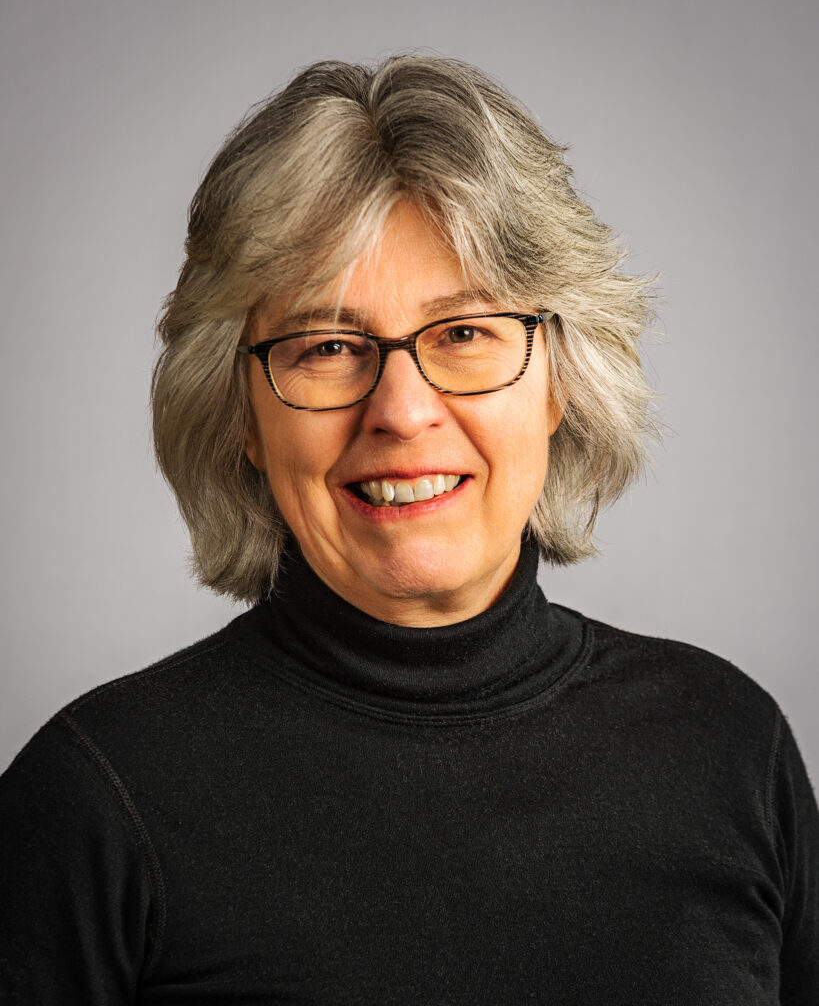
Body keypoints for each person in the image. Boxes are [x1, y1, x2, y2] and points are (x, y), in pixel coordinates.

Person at [0, 55, 816, 1005]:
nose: (401, 410)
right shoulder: (98, 797)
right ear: (241, 418)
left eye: (464, 333)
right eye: (327, 348)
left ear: (558, 381)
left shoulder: (726, 747)